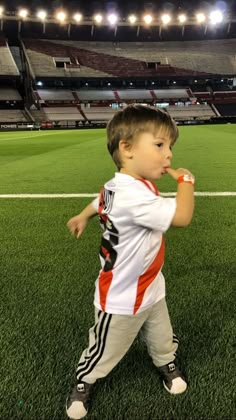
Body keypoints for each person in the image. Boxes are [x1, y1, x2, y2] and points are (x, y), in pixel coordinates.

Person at [66, 104, 195, 419]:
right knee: (106, 346)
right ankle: (86, 379)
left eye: (170, 147)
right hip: (122, 296)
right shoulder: (135, 198)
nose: (169, 156)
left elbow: (101, 200)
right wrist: (186, 181)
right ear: (126, 149)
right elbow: (182, 217)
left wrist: (83, 215)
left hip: (150, 285)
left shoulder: (120, 185)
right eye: (160, 145)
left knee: (161, 332)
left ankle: (166, 360)